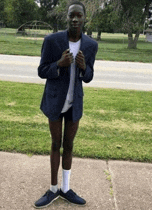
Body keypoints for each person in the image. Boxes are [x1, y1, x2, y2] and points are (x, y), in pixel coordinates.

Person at [34, 1, 98, 208]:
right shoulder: (52, 41)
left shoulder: (90, 45)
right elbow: (42, 70)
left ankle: (66, 188)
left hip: (74, 103)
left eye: (79, 15)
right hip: (54, 101)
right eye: (72, 15)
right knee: (55, 144)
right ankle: (53, 189)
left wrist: (83, 66)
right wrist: (58, 64)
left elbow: (89, 76)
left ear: (84, 18)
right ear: (67, 17)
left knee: (69, 145)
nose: (75, 19)